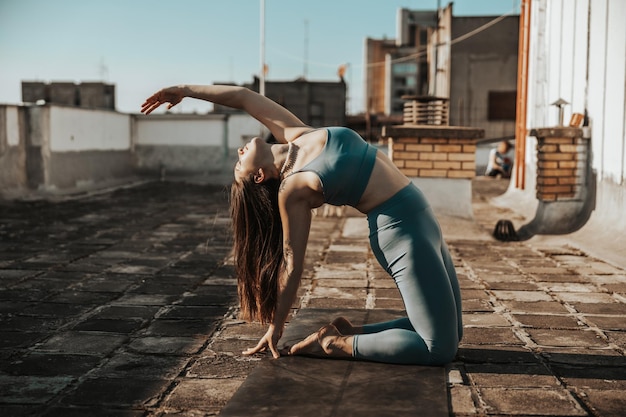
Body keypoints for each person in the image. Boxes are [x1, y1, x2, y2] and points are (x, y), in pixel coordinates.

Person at [141, 85, 463, 365]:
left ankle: (349, 333)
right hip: (401, 232)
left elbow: (243, 97)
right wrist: (276, 326)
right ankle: (332, 344)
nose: (239, 152)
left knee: (455, 330)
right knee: (438, 348)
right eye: (239, 163)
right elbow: (292, 264)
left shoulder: (298, 135)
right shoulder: (292, 190)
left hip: (424, 219)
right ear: (258, 176)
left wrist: (184, 90)